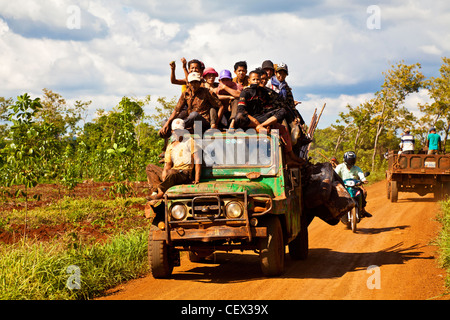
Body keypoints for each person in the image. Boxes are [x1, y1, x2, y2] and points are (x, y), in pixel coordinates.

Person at [149, 119, 201, 200]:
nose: (177, 133)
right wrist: (164, 174)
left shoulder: (190, 141)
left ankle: (161, 191)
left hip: (185, 173)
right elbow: (167, 165)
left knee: (171, 172)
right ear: (172, 131)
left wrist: (197, 179)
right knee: (150, 168)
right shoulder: (170, 146)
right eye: (176, 131)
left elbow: (198, 160)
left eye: (180, 131)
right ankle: (156, 190)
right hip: (173, 173)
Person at [159, 72, 224, 137]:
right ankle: (173, 127)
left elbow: (221, 106)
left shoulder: (207, 92)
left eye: (196, 82)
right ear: (188, 83)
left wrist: (215, 123)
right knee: (164, 122)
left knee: (194, 115)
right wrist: (167, 123)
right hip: (190, 121)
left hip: (203, 122)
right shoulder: (186, 93)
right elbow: (177, 110)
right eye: (191, 82)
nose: (193, 85)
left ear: (200, 83)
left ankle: (178, 127)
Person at [334, 151, 372, 218]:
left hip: (354, 187)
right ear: (345, 160)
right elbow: (335, 174)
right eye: (349, 160)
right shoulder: (340, 167)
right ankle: (336, 210)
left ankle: (363, 209)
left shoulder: (356, 168)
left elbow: (361, 174)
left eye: (352, 160)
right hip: (342, 187)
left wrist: (363, 179)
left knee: (362, 192)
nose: (350, 162)